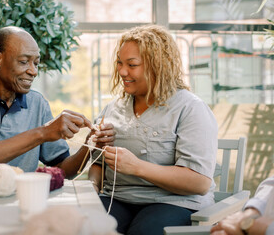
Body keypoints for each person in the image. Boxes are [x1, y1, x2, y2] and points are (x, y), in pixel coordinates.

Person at [88, 24, 218, 235]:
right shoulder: (113, 108)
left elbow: (199, 182)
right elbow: (98, 164)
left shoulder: (190, 108)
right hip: (118, 198)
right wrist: (93, 187)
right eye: (119, 63)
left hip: (175, 202)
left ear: (159, 66)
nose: (122, 71)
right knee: (81, 226)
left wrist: (137, 167)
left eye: (132, 64)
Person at [0, 26, 115, 181]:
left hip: (24, 200)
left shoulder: (37, 103)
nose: (33, 71)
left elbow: (64, 170)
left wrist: (91, 146)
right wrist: (43, 133)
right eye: (24, 61)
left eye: (36, 63)